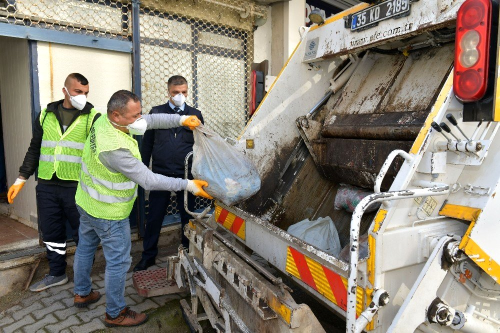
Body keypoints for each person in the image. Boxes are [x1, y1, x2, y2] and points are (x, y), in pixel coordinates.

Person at [73, 90, 211, 328]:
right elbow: (149, 180)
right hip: (108, 214)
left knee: (85, 248)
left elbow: (151, 119)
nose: (140, 119)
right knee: (118, 262)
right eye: (134, 115)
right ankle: (115, 313)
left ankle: (82, 293)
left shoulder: (103, 120)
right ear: (116, 115)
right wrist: (188, 184)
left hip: (86, 203)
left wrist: (181, 119)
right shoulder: (114, 150)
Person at [8, 73, 100, 292]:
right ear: (65, 91)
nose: (82, 96)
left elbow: (98, 154)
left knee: (83, 232)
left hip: (77, 186)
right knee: (51, 232)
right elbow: (35, 148)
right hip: (47, 184)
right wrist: (21, 178)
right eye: (78, 91)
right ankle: (57, 273)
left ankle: (83, 276)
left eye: (86, 93)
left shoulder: (93, 116)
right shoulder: (45, 115)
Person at [134, 75, 203, 272]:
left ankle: (188, 253)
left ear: (187, 92)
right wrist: (142, 168)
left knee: (186, 217)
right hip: (160, 174)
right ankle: (148, 256)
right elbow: (147, 143)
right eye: (175, 92)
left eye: (183, 92)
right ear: (168, 92)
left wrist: (199, 172)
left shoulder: (195, 114)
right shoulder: (156, 113)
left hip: (185, 174)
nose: (180, 96)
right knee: (154, 217)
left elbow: (201, 145)